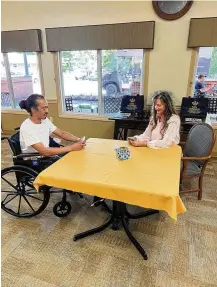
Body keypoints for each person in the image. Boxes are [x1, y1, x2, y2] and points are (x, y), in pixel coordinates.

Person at [19, 94, 85, 156]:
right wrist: (71, 148)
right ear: (33, 109)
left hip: (46, 156)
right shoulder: (27, 127)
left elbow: (61, 133)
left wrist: (78, 140)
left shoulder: (44, 120)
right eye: (44, 108)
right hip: (35, 160)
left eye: (47, 107)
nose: (47, 111)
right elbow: (44, 151)